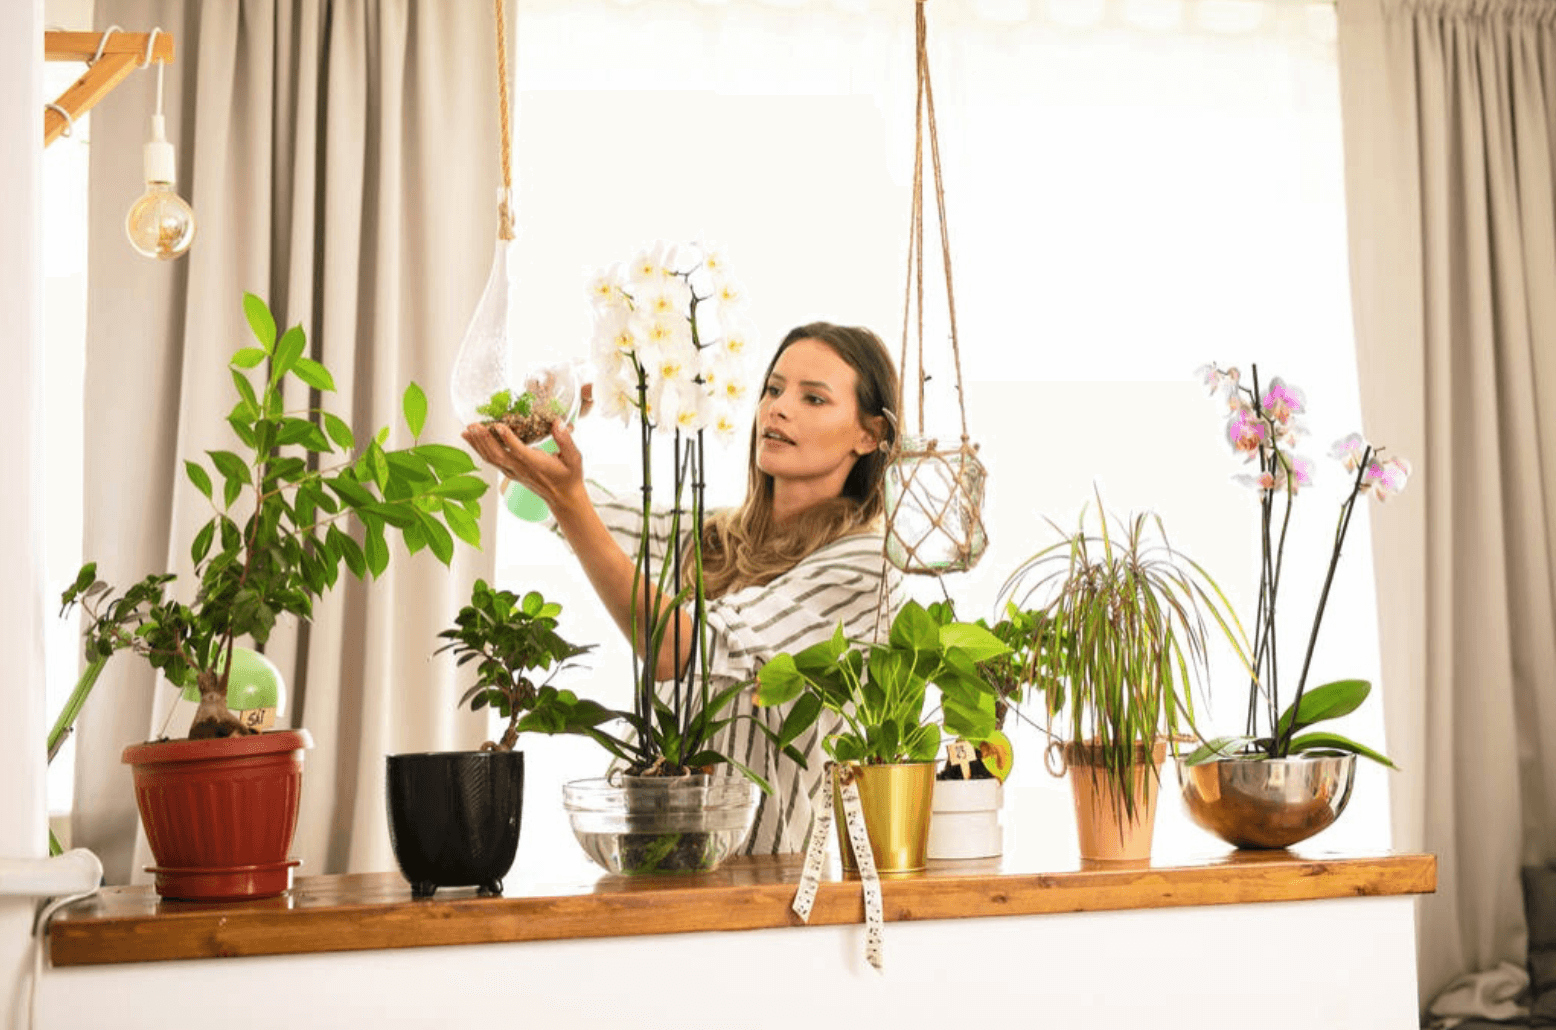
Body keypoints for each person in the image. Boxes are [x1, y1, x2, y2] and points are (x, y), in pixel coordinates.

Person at [462, 322, 903, 854]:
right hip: (648, 859)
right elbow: (538, 505)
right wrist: (534, 433)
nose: (778, 409)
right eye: (774, 388)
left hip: (756, 887)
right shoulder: (713, 539)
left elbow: (679, 650)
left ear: (870, 434)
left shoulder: (865, 568)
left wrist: (567, 500)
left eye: (813, 398)